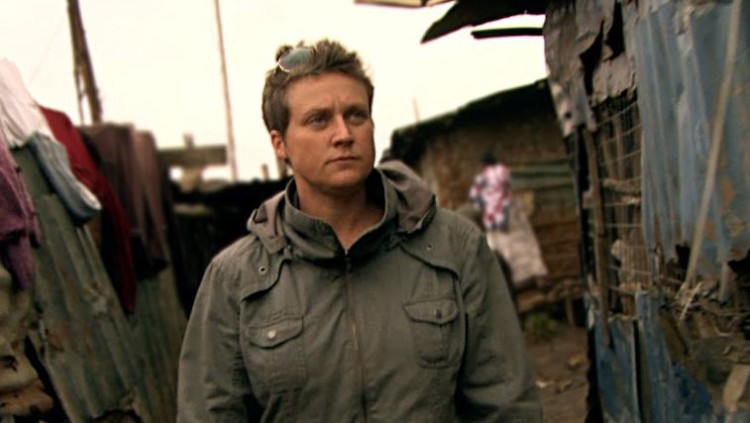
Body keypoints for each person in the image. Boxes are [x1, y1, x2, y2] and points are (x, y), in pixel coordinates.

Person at [177, 38, 541, 422]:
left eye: (355, 115)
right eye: (319, 120)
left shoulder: (454, 247)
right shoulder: (236, 280)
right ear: (279, 144)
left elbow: (507, 405)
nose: (343, 134)